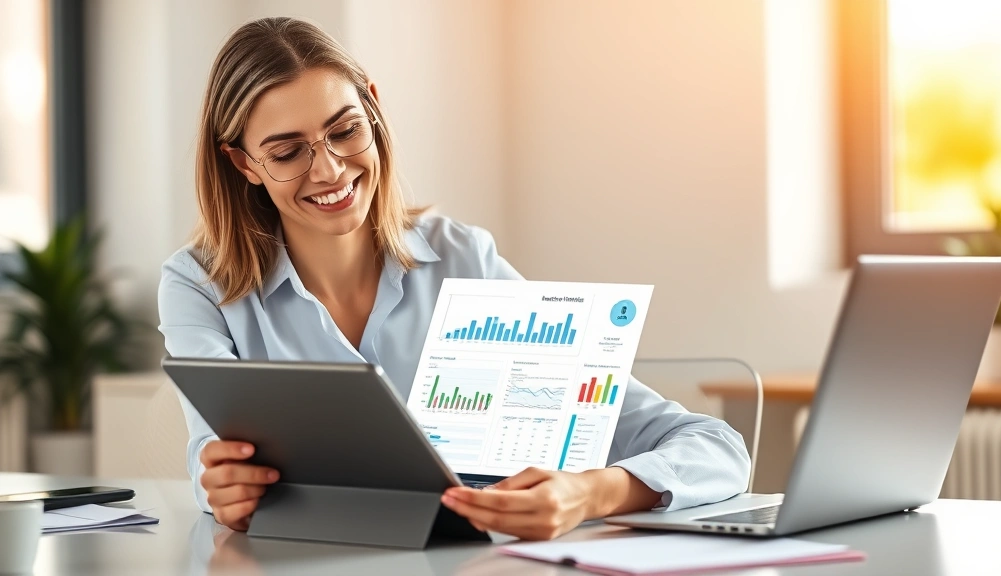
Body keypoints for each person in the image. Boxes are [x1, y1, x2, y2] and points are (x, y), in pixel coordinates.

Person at [158, 17, 750, 541]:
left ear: (373, 107)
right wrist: (224, 488)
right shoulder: (199, 286)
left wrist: (589, 493)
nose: (331, 169)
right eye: (287, 153)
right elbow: (209, 462)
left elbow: (714, 448)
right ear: (243, 163)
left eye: (345, 131)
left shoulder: (465, 261)